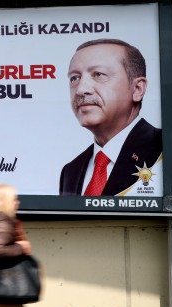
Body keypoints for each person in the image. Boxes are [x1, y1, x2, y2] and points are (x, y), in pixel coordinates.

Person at [59, 38, 162, 196]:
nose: (80, 89)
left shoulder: (166, 148)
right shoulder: (71, 171)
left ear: (138, 89)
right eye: (74, 78)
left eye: (98, 74)